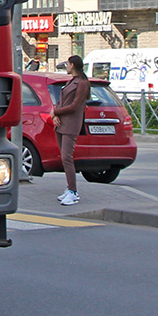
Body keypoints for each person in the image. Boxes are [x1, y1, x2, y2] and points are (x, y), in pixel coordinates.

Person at [51, 54, 91, 206]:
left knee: (67, 157)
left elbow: (75, 105)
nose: (66, 66)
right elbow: (62, 101)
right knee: (63, 157)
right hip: (61, 123)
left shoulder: (82, 83)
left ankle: (73, 192)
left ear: (73, 65)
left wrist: (56, 112)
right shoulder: (71, 81)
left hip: (71, 124)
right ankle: (69, 189)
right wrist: (55, 113)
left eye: (67, 64)